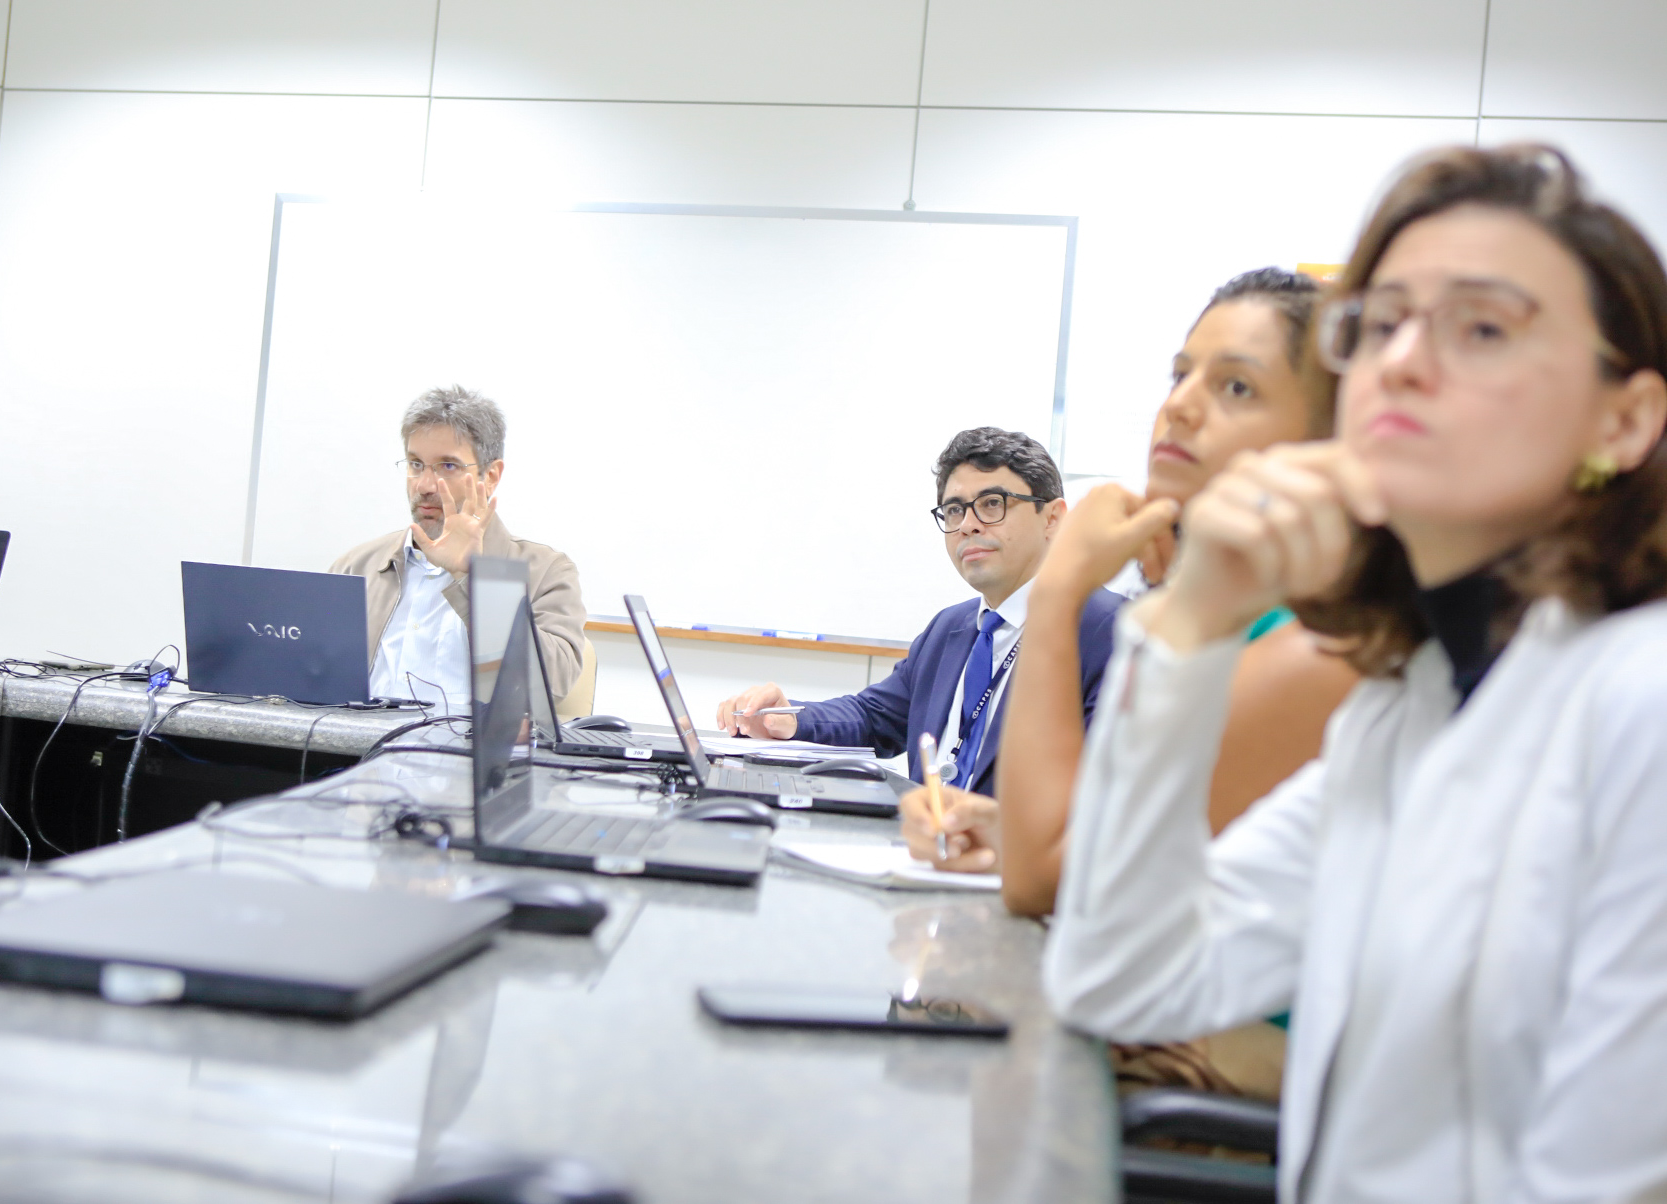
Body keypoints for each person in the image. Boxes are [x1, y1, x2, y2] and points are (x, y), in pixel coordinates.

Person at [1044, 144, 1667, 1201]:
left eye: (1480, 328)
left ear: (1624, 419)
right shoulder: (1404, 709)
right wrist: (1188, 623)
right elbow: (1119, 974)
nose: (1402, 361)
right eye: (1379, 325)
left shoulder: (1637, 707)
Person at [901, 269, 1359, 913]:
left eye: (1236, 386)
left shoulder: (1312, 650)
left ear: (1327, 439)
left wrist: (1059, 591)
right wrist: (1005, 837)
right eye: (1180, 375)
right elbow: (1103, 854)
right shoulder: (1190, 615)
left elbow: (1046, 883)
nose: (1180, 406)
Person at [714, 428, 1121, 795]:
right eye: (955, 509)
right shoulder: (950, 628)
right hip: (920, 843)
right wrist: (787, 718)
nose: (968, 525)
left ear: (1052, 518)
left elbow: (1104, 797)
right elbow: (873, 716)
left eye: (992, 504)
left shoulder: (1109, 632)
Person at [329, 386, 585, 712]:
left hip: (464, 745)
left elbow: (550, 686)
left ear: (490, 476)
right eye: (416, 464)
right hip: (357, 741)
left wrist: (470, 577)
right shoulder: (356, 566)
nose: (424, 485)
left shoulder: (546, 571)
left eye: (448, 466)